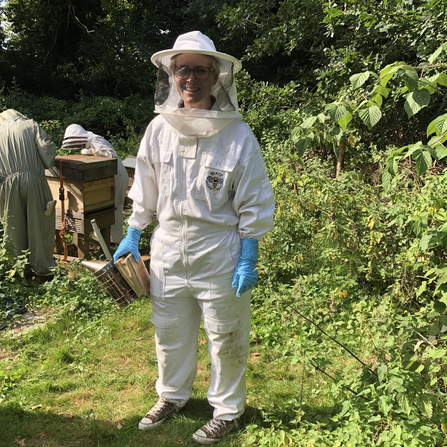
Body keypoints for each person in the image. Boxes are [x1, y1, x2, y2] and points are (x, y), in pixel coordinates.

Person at [113, 31, 275, 444]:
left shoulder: (238, 136)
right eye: (182, 68)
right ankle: (172, 396)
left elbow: (254, 199)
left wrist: (249, 254)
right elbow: (145, 188)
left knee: (226, 336)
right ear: (171, 75)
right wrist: (134, 233)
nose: (190, 78)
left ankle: (228, 410)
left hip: (219, 253)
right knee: (169, 331)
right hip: (167, 250)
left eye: (200, 70)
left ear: (216, 77)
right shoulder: (158, 130)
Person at [0, 109, 57, 280]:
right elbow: (47, 150)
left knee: (12, 228)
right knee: (39, 223)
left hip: (7, 184)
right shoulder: (30, 125)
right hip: (34, 180)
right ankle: (43, 271)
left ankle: (18, 271)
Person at [61, 124, 129, 244]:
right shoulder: (90, 141)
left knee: (115, 209)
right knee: (108, 209)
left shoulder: (95, 139)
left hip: (117, 176)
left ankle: (116, 241)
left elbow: (110, 155)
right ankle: (106, 240)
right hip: (110, 176)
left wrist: (91, 151)